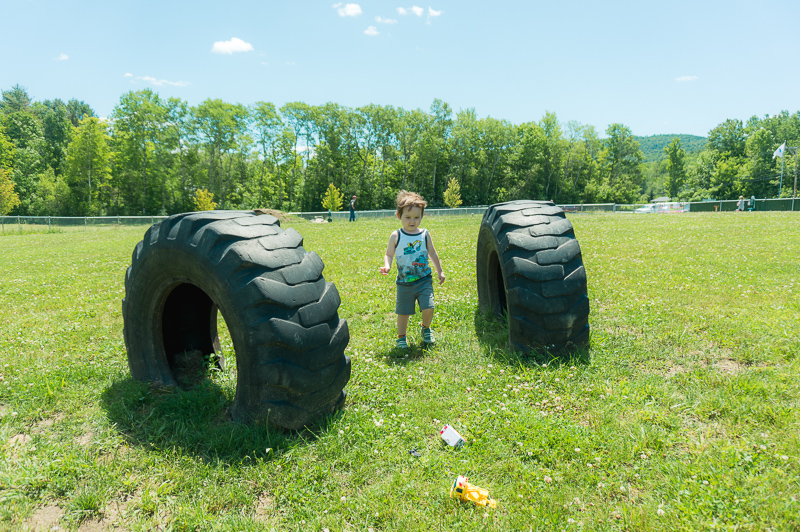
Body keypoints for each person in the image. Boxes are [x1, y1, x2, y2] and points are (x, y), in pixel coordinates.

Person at [379, 190, 445, 349]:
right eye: (408, 217)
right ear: (399, 216)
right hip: (404, 283)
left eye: (417, 217)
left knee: (429, 307)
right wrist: (387, 266)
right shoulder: (396, 236)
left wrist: (440, 271)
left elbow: (432, 253)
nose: (412, 221)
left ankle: (426, 328)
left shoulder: (424, 234)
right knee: (403, 312)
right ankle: (401, 337)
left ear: (422, 216)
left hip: (424, 280)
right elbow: (389, 254)